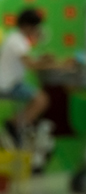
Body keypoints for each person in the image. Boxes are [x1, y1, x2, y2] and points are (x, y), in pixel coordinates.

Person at [1, 9, 54, 145]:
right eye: (35, 27)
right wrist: (53, 65)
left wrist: (44, 61)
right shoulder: (17, 40)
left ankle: (17, 124)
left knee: (39, 98)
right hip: (7, 85)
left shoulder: (17, 39)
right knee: (41, 100)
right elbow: (31, 65)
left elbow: (30, 61)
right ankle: (15, 124)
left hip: (11, 83)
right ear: (27, 26)